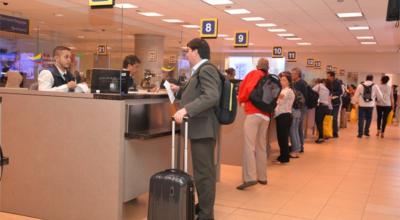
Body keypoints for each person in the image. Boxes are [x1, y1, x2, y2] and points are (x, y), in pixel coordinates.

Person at [171, 38, 221, 220]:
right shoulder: (200, 70)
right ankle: (204, 207)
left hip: (204, 129)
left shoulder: (206, 69)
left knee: (204, 175)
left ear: (196, 52)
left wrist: (186, 109)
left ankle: (207, 215)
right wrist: (180, 89)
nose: (186, 54)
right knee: (202, 172)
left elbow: (211, 96)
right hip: (201, 129)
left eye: (188, 51)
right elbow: (199, 92)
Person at [236, 58, 271, 190]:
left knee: (249, 146)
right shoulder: (269, 78)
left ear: (257, 66)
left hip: (253, 113)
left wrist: (241, 99)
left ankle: (249, 178)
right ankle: (262, 177)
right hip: (266, 116)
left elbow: (246, 89)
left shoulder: (254, 73)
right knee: (261, 146)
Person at [275, 71, 295, 163]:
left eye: (284, 80)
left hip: (284, 116)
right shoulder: (286, 90)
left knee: (282, 138)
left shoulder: (286, 91)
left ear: (289, 82)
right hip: (284, 116)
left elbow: (279, 102)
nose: (281, 82)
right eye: (281, 80)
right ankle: (283, 156)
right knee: (282, 137)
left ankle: (284, 158)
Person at [291, 67, 308, 153]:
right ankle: (299, 146)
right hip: (300, 107)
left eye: (293, 74)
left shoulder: (301, 83)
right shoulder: (297, 83)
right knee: (298, 127)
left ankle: (300, 146)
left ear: (297, 74)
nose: (291, 75)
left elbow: (302, 97)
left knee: (298, 127)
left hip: (300, 108)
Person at [313, 79, 331, 143]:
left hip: (320, 106)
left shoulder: (319, 86)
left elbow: (312, 91)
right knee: (321, 122)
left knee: (318, 122)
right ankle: (322, 136)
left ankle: (320, 137)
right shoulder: (328, 90)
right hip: (326, 107)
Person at [327, 71, 343, 138]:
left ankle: (335, 133)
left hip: (336, 103)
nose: (327, 77)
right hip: (329, 102)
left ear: (332, 76)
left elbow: (340, 92)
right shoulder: (328, 83)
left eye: (328, 76)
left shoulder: (337, 82)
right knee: (329, 118)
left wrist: (332, 94)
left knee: (334, 118)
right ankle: (329, 132)